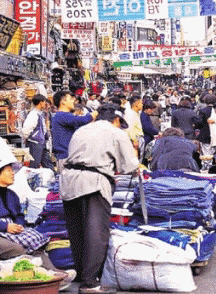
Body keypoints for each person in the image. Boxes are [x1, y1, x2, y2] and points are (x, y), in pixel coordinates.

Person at [61, 104, 139, 294]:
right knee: (96, 233)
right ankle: (90, 282)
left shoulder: (82, 129)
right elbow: (129, 165)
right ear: (117, 119)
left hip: (68, 180)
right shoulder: (116, 133)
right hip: (93, 183)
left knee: (77, 231)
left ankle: (82, 274)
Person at [0, 141, 76, 291]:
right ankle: (44, 278)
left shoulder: (12, 195)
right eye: (8, 170)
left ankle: (56, 276)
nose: (12, 174)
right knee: (18, 248)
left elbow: (20, 214)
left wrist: (20, 225)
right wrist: (6, 227)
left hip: (12, 229)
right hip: (3, 231)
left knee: (37, 246)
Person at [51, 91, 97, 165]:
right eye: (71, 99)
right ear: (63, 102)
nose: (74, 101)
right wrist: (92, 115)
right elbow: (80, 120)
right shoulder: (61, 115)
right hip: (66, 157)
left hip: (70, 156)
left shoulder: (64, 116)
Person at [21, 94, 54, 170]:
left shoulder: (40, 113)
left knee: (47, 163)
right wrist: (26, 138)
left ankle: (53, 177)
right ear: (40, 102)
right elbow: (26, 129)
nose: (45, 104)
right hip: (35, 143)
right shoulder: (33, 114)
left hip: (42, 143)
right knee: (35, 165)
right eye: (44, 102)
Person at [195, 94, 216, 171]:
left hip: (205, 133)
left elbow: (199, 123)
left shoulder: (203, 111)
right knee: (214, 151)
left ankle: (207, 166)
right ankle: (213, 165)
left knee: (206, 151)